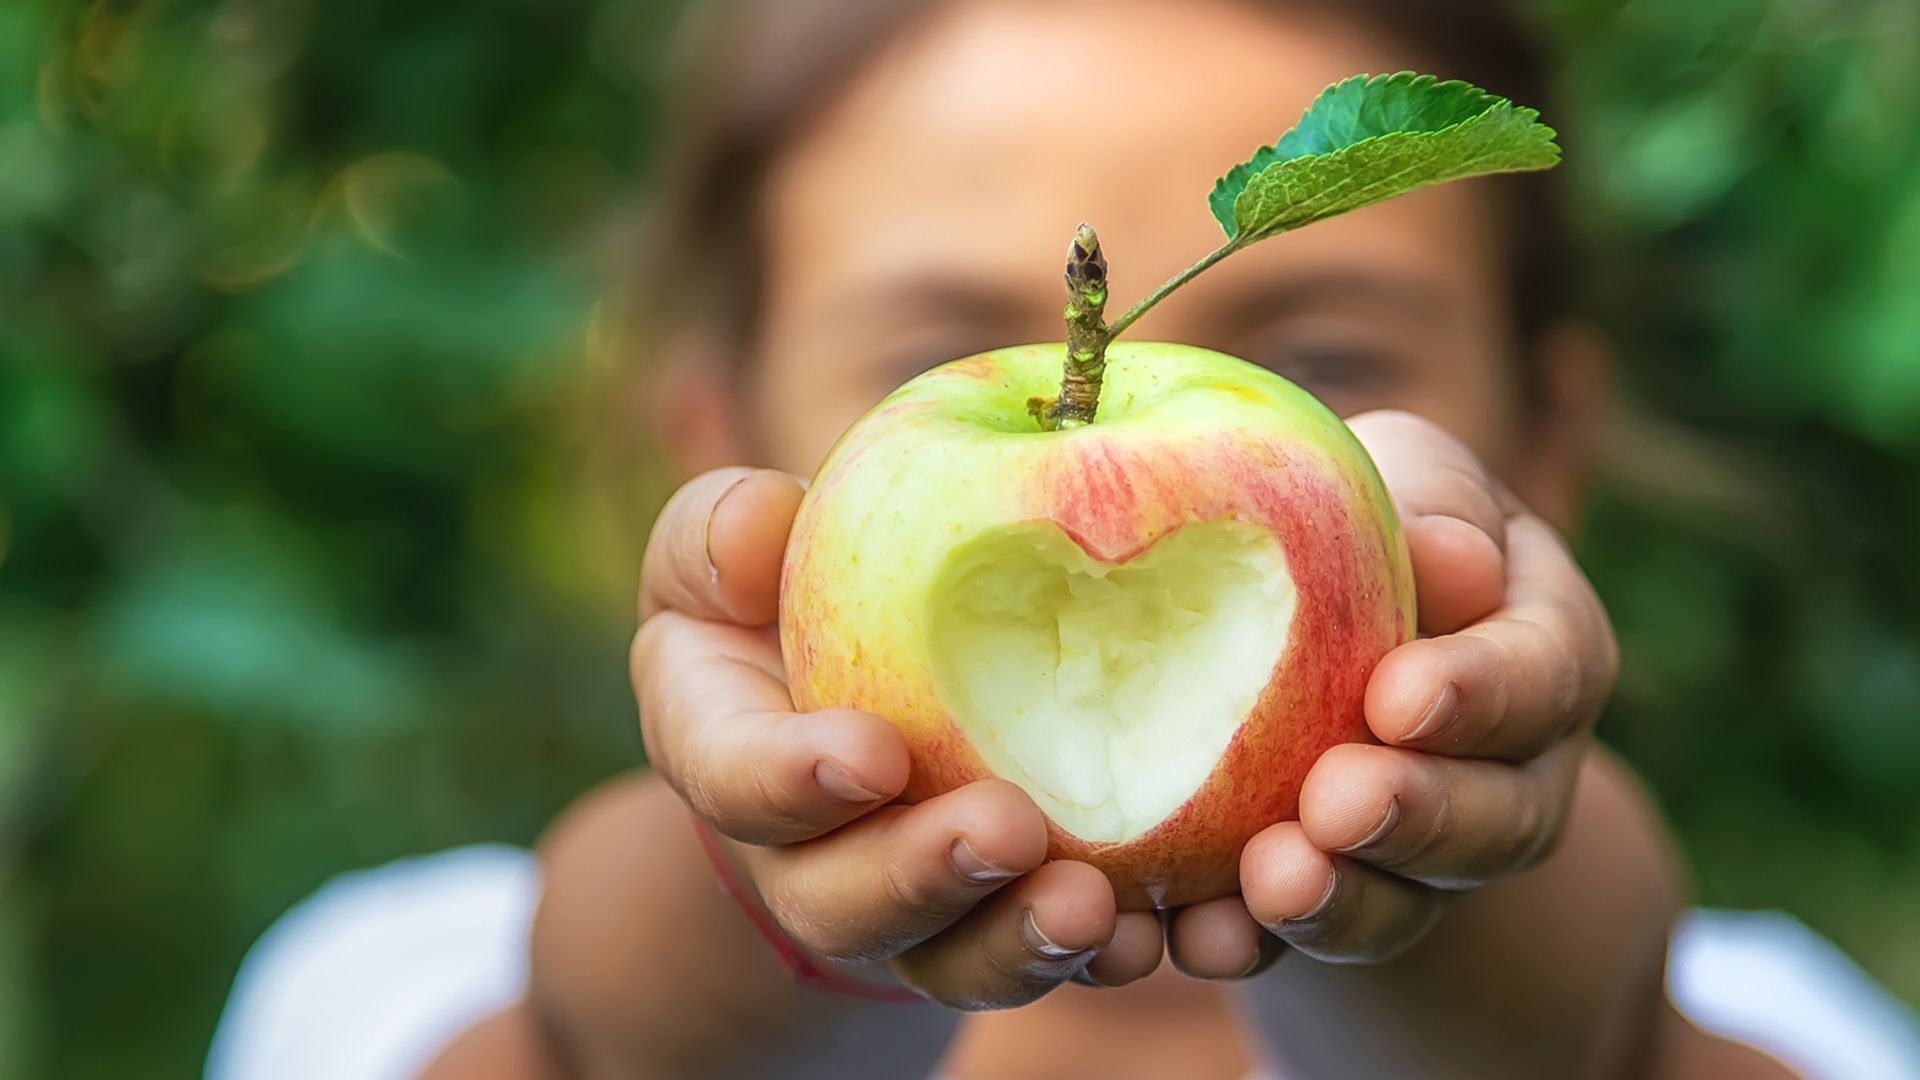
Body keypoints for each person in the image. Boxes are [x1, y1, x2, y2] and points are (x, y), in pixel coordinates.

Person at [207, 0, 1920, 1077]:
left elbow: (1593, 1040)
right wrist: (776, 886)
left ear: (1546, 439)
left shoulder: (1782, 1018)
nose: (1144, 454)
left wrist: (1457, 879)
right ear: (719, 444)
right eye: (933, 353)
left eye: (1322, 359)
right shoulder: (392, 973)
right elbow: (604, 1041)